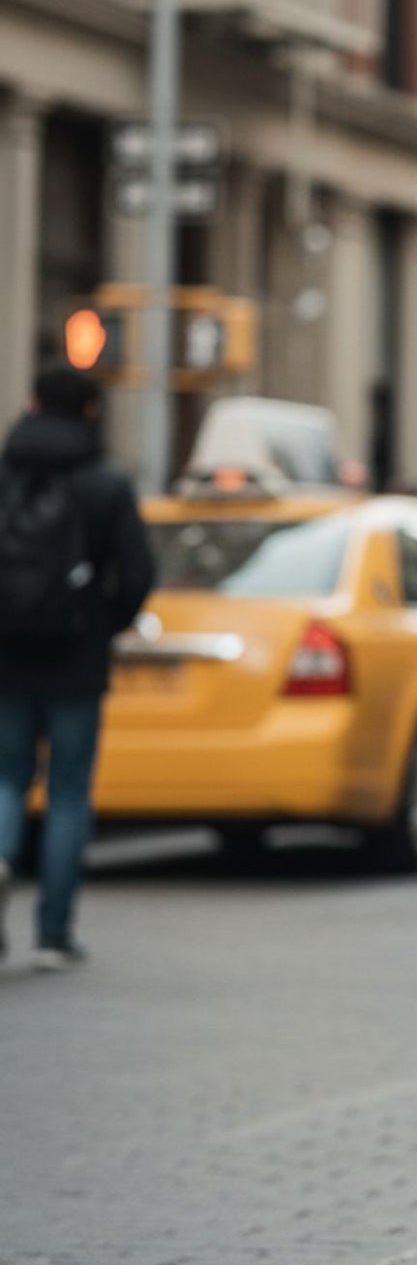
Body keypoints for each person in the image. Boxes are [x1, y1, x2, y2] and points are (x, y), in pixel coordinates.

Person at [0, 366, 154, 969]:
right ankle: (53, 935)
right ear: (92, 411)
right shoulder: (106, 483)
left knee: (6, 777)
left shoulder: (5, 472)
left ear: (33, 403)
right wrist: (102, 623)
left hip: (5, 655)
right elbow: (138, 576)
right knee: (66, 791)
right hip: (75, 660)